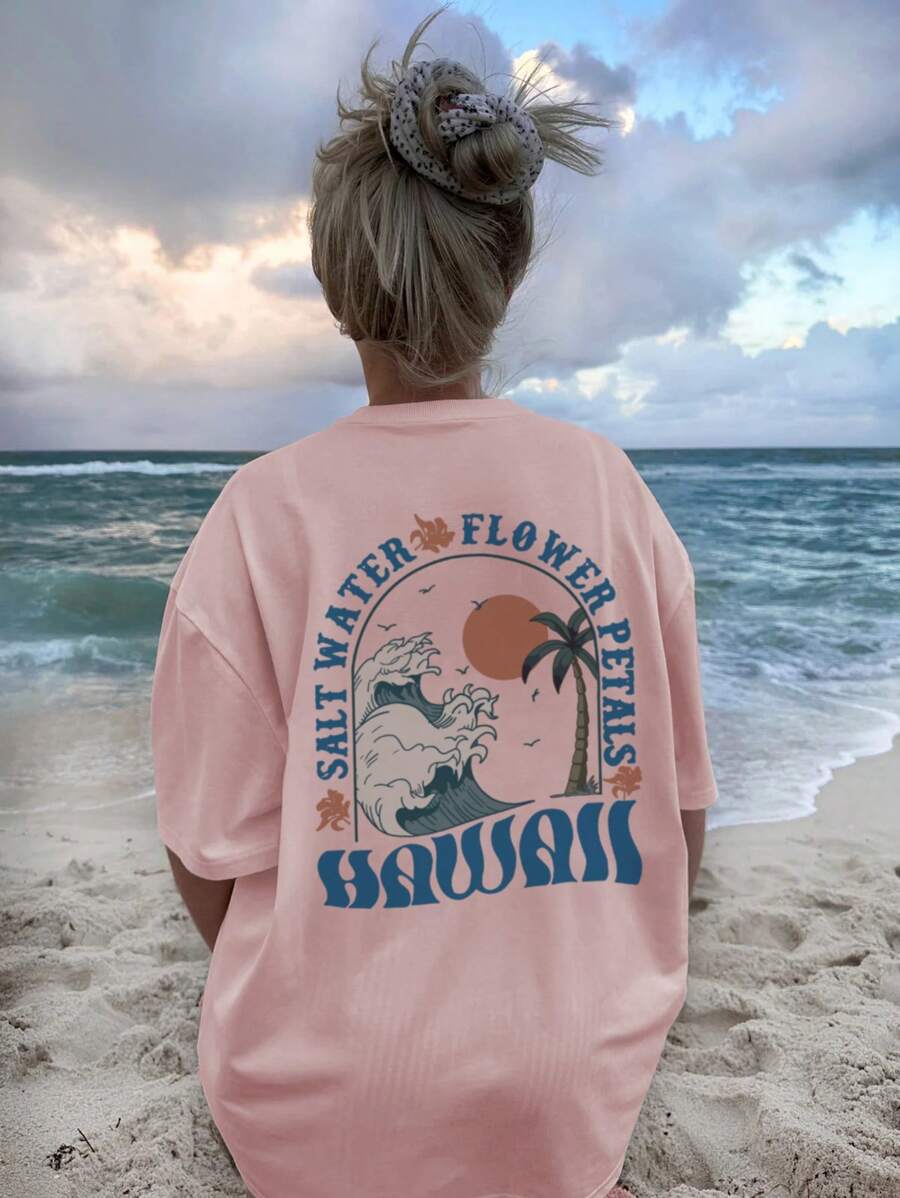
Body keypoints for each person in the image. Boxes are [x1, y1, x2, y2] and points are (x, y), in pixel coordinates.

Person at [150, 8, 717, 1197]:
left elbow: (209, 858)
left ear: (333, 283)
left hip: (323, 1105)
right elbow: (679, 816)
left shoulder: (257, 516)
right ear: (507, 270)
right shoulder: (610, 490)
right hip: (570, 1094)